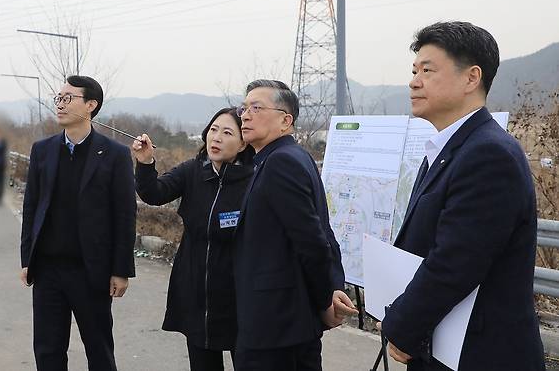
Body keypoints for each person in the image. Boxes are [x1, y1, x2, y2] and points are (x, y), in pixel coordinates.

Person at [380, 22, 545, 370]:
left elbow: (454, 263)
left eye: (427, 70)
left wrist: (402, 324)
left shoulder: (488, 154)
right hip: (447, 343)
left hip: (483, 353)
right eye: (413, 71)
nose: (413, 81)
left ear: (471, 78)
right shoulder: (450, 148)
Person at [233, 79, 357, 371]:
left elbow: (312, 240)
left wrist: (325, 301)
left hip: (276, 325)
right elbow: (321, 232)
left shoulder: (280, 163)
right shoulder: (285, 157)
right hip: (283, 321)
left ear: (285, 120)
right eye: (244, 108)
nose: (246, 115)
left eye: (257, 107)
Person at [19, 75, 136, 371]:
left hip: (91, 271)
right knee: (47, 351)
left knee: (99, 350)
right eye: (58, 98)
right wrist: (27, 259)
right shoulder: (43, 150)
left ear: (91, 105)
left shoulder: (115, 154)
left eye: (68, 98)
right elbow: (31, 207)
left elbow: (124, 216)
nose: (60, 104)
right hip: (47, 270)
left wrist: (121, 270)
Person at [131, 107, 255, 371]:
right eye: (213, 130)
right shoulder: (193, 171)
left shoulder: (255, 179)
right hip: (196, 285)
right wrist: (145, 163)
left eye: (227, 132)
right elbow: (154, 193)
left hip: (238, 292)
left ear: (243, 142)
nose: (216, 138)